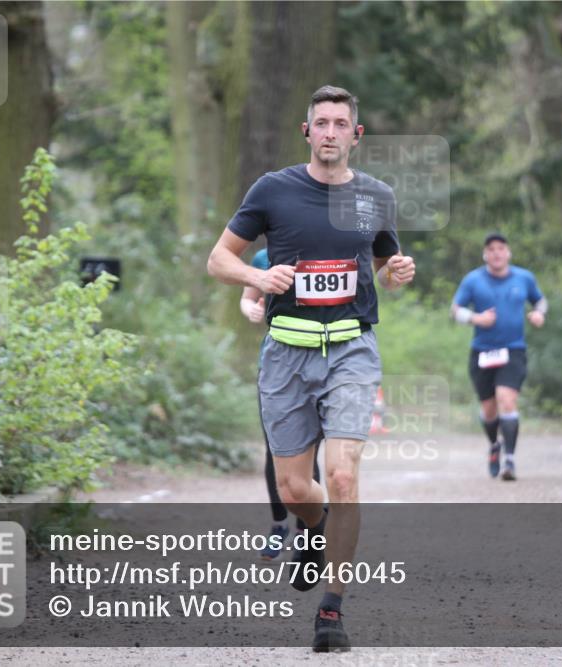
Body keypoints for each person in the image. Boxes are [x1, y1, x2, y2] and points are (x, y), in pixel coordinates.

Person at [208, 85, 415, 652]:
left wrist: (396, 273)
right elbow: (218, 258)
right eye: (321, 123)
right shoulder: (272, 190)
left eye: (340, 124)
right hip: (286, 353)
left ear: (356, 135)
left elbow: (382, 265)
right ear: (307, 132)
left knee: (342, 476)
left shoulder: (375, 196)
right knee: (294, 487)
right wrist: (257, 277)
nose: (330, 132)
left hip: (350, 349)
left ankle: (331, 609)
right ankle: (316, 527)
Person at [240, 248, 322, 561]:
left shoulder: (326, 252)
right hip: (275, 366)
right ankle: (278, 526)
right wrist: (251, 309)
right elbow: (247, 297)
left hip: (319, 367)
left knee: (307, 452)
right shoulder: (264, 257)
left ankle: (306, 531)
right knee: (274, 450)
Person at [450, 232, 546, 481]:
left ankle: (509, 460)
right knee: (489, 410)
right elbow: (455, 310)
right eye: (491, 249)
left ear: (508, 253)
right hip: (482, 352)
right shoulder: (473, 280)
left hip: (513, 350)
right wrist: (476, 318)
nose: (496, 253)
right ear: (485, 254)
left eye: (501, 248)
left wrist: (539, 313)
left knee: (507, 399)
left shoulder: (524, 278)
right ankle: (494, 444)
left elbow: (540, 301)